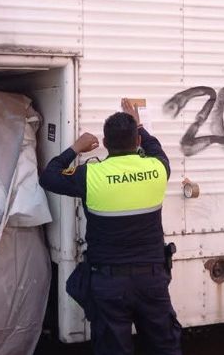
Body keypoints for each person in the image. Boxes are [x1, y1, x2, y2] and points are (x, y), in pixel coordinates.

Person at [39, 99, 182, 355]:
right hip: (152, 279)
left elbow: (48, 177)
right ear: (137, 141)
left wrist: (75, 148)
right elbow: (154, 147)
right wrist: (139, 125)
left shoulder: (90, 175)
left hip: (108, 282)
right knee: (164, 346)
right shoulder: (158, 168)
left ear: (105, 143)